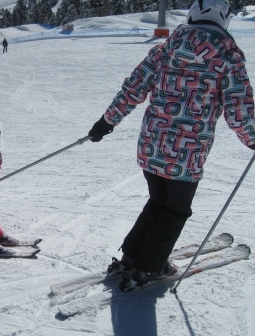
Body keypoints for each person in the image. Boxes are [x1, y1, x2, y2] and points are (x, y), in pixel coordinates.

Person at [88, 0, 255, 289]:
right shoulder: (228, 57)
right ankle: (149, 267)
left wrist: (107, 121)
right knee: (175, 209)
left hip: (152, 146)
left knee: (158, 202)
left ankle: (132, 257)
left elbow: (133, 88)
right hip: (187, 154)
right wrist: (253, 138)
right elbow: (239, 108)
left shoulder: (165, 49)